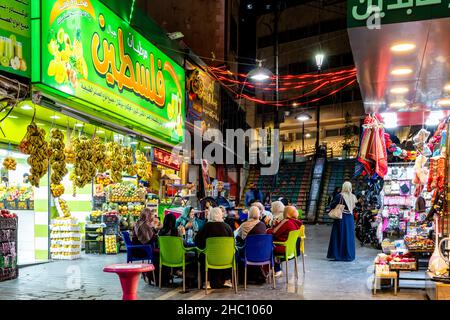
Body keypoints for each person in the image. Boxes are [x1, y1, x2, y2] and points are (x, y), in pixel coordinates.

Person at [195, 207, 234, 288]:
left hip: (209, 259)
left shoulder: (205, 227)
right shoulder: (228, 227)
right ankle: (227, 280)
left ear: (211, 215)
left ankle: (207, 282)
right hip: (225, 260)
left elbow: (197, 242)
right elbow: (232, 243)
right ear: (221, 215)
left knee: (201, 254)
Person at [267, 206, 303, 277]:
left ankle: (276, 269)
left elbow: (274, 232)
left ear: (286, 213)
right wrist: (278, 224)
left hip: (282, 247)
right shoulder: (297, 223)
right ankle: (275, 268)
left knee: (267, 247)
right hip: (291, 249)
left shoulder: (286, 221)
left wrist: (267, 230)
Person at [235, 206, 267, 284]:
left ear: (249, 213)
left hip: (247, 254)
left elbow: (238, 239)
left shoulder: (244, 225)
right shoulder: (262, 225)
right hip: (261, 254)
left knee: (237, 250)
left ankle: (241, 277)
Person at [327, 181, 357, 262]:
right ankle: (349, 255)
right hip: (350, 218)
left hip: (341, 218)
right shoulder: (353, 196)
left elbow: (332, 205)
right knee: (349, 236)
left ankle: (338, 255)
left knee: (339, 236)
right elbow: (354, 206)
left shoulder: (339, 196)